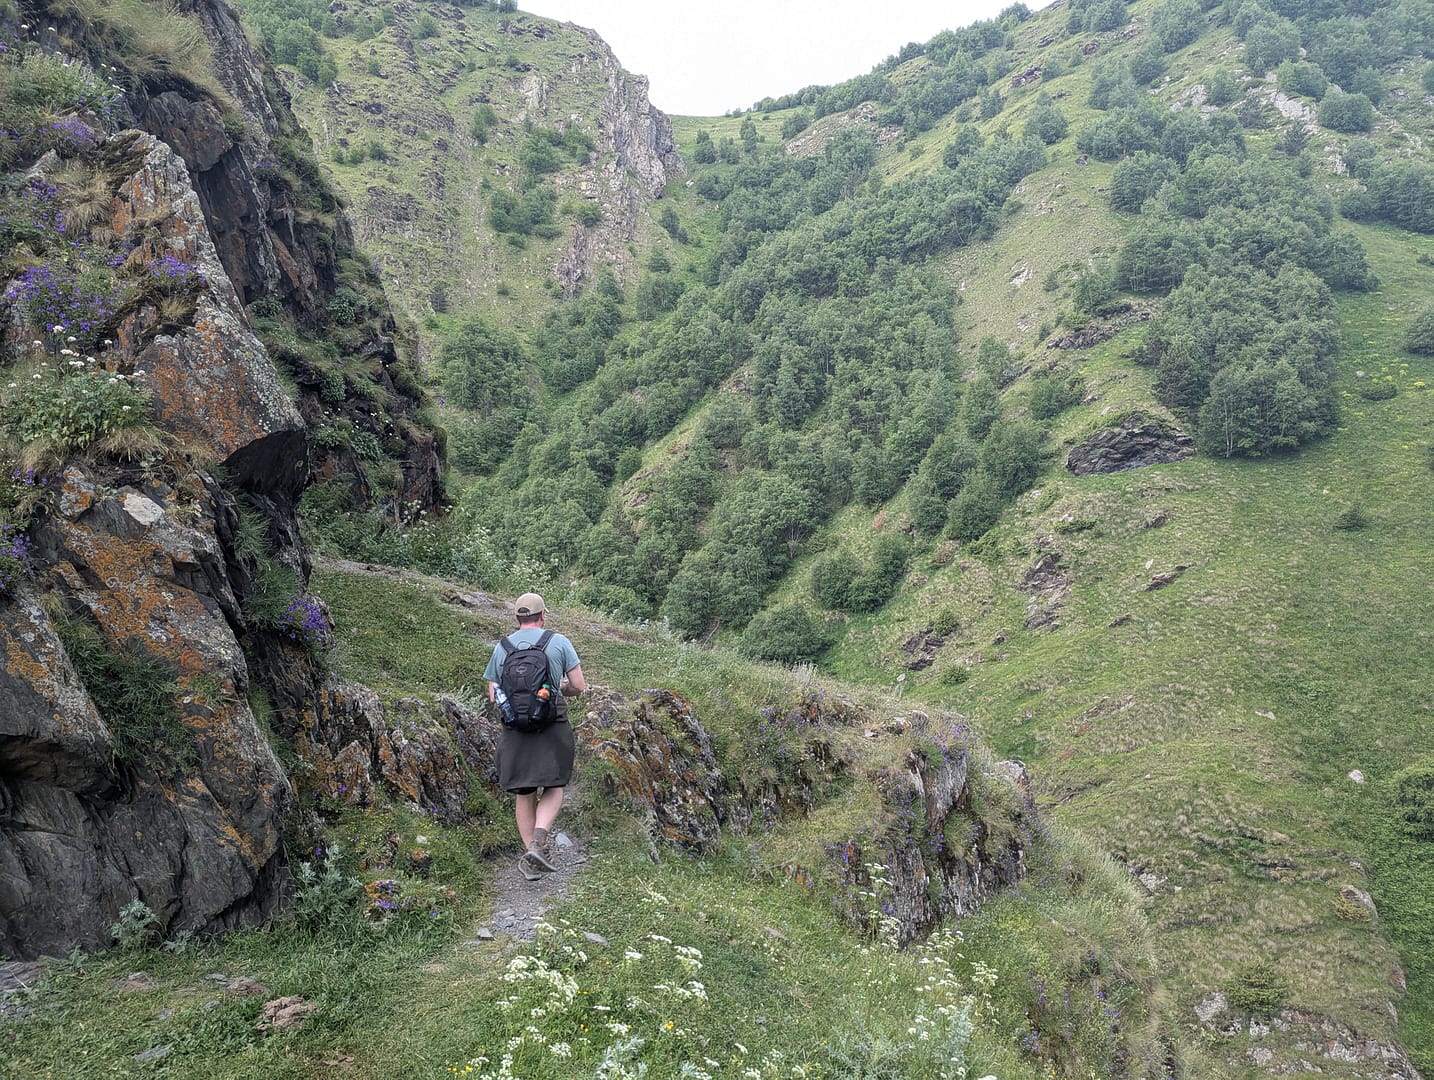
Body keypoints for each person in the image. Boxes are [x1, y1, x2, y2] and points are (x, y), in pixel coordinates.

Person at [483, 592, 586, 880]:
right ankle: (538, 843)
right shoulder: (558, 642)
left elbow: (493, 694)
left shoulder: (502, 648)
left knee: (524, 790)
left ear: (517, 618)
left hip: (515, 725)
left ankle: (531, 861)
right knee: (554, 785)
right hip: (551, 721)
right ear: (543, 616)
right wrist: (557, 690)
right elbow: (579, 685)